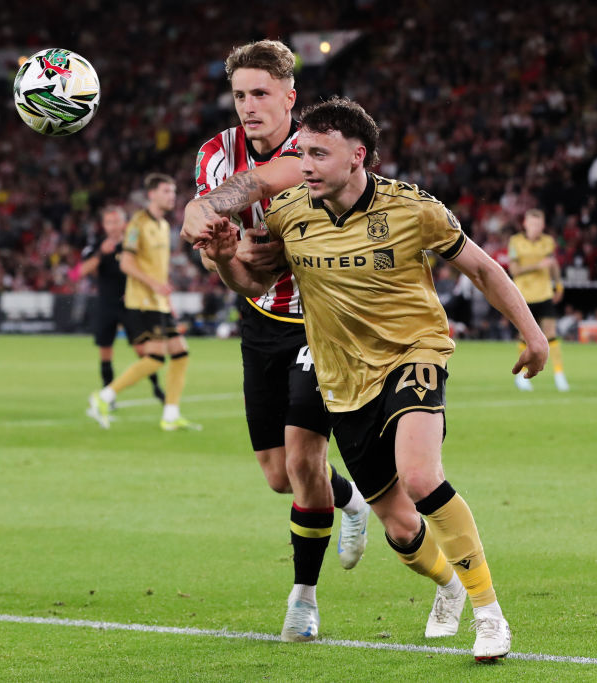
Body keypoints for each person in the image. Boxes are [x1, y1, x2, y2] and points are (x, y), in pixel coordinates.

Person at [201, 97, 549, 661]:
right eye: (301, 153)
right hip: (340, 375)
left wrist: (533, 335)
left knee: (419, 475)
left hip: (414, 353)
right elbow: (250, 282)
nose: (305, 163)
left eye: (318, 152)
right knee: (401, 528)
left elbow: (483, 268)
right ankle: (451, 586)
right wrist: (222, 258)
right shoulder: (289, 213)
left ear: (357, 155)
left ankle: (491, 616)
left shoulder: (414, 209)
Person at [182, 40, 369, 642]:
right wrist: (226, 256)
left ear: (290, 96)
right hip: (263, 320)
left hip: (324, 319)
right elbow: (237, 275)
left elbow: (266, 180)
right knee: (277, 475)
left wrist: (206, 207)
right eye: (240, 95)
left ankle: (303, 601)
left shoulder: (314, 147)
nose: (249, 106)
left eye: (261, 93)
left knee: (303, 458)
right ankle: (351, 501)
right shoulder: (214, 154)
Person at [87, 174, 199, 430]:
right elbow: (126, 263)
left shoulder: (163, 225)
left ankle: (170, 415)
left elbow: (157, 266)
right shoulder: (137, 223)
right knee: (156, 359)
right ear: (151, 195)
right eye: (166, 192)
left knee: (180, 354)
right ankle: (104, 396)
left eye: (173, 192)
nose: (172, 196)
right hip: (143, 302)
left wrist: (164, 292)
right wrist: (154, 285)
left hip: (159, 301)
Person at [76, 206, 164, 407]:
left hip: (130, 304)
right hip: (106, 304)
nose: (113, 226)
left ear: (124, 224)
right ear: (104, 225)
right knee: (105, 351)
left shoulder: (132, 244)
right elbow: (81, 271)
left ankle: (157, 388)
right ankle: (109, 396)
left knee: (142, 350)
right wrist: (100, 253)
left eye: (116, 222)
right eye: (109, 222)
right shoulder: (95, 246)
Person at [508, 209, 569, 392]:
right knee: (524, 337)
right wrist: (537, 266)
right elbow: (514, 270)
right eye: (532, 223)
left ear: (543, 226)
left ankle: (559, 375)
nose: (535, 227)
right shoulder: (515, 242)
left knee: (551, 334)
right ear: (525, 224)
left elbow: (553, 264)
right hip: (523, 296)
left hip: (544, 294)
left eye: (538, 224)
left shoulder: (548, 242)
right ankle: (522, 376)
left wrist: (558, 284)